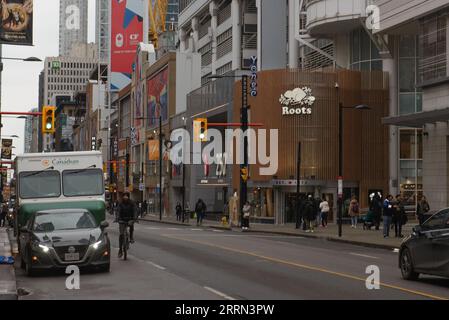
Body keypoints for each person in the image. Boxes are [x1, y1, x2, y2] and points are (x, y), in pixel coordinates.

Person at [117, 192, 136, 258]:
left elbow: (135, 210)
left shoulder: (132, 203)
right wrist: (118, 218)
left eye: (126, 196)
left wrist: (134, 218)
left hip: (129, 219)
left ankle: (131, 237)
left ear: (128, 196)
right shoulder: (120, 204)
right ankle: (120, 250)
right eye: (124, 196)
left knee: (131, 225)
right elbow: (118, 211)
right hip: (122, 219)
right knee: (121, 234)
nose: (125, 197)